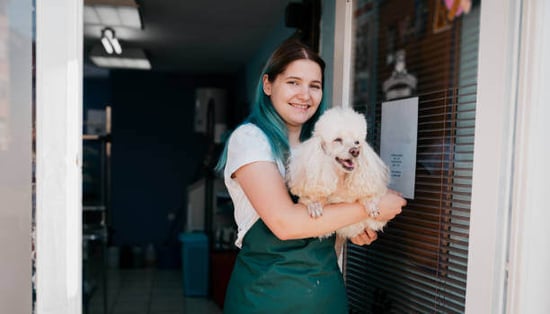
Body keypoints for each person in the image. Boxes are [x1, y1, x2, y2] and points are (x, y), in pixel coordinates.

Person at [215, 38, 406, 313]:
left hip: (325, 298)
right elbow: (285, 223)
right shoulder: (250, 139)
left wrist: (355, 228)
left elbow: (330, 218)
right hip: (265, 299)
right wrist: (371, 206)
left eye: (314, 86)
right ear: (268, 85)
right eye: (293, 82)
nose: (305, 94)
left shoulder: (326, 148)